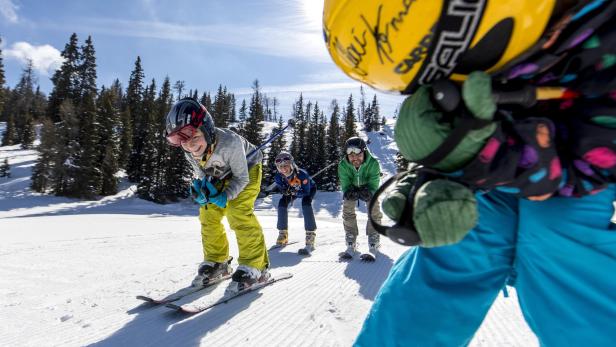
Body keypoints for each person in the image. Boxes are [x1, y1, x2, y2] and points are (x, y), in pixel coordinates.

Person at [324, 0, 616, 345]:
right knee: (455, 238)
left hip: (577, 180)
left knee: (562, 243)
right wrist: (441, 172)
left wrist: (476, 156)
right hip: (512, 166)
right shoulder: (513, 46)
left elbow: (593, 154)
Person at [165, 97, 269, 293]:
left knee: (237, 211)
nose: (190, 146)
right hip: (220, 172)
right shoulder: (190, 150)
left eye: (194, 137)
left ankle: (256, 267)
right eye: (181, 141)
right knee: (208, 213)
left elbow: (241, 179)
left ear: (207, 129)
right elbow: (203, 172)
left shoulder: (230, 143)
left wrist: (225, 196)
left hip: (248, 169)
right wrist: (203, 190)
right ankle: (217, 262)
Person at [338, 137, 383, 259]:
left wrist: (369, 190)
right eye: (350, 155)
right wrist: (348, 191)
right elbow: (345, 183)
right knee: (347, 209)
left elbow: (374, 182)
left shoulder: (373, 163)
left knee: (374, 209)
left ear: (364, 151)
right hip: (352, 188)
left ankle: (374, 239)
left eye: (357, 154)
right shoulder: (343, 165)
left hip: (368, 187)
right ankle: (351, 239)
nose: (354, 158)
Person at [273, 151, 318, 254]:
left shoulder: (302, 175)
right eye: (280, 167)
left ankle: (310, 234)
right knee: (282, 204)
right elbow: (282, 188)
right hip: (293, 191)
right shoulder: (278, 177)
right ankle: (283, 233)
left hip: (309, 190)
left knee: (306, 204)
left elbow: (306, 192)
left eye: (286, 165)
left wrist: (295, 192)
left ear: (291, 164)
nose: (283, 169)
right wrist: (286, 191)